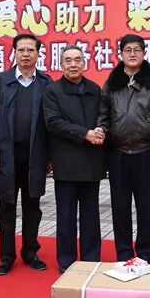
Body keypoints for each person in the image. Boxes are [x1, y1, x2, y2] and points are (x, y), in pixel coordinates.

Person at [0, 34, 54, 275]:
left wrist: (50, 156)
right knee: (6, 206)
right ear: (14, 53)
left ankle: (30, 251)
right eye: (21, 50)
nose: (25, 54)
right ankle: (6, 256)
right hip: (6, 156)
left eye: (30, 50)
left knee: (33, 207)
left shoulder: (46, 83)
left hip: (35, 156)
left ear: (38, 54)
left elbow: (52, 122)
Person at [95, 34, 150, 264]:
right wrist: (101, 129)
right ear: (120, 54)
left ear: (144, 53)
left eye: (137, 49)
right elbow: (104, 113)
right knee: (120, 207)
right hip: (117, 153)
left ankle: (146, 254)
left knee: (146, 207)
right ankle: (124, 253)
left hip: (145, 152)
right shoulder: (112, 83)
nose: (132, 54)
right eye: (127, 50)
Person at [43, 45, 106, 273]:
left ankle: (91, 258)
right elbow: (53, 122)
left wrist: (101, 129)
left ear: (84, 63)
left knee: (91, 214)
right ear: (61, 64)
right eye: (68, 60)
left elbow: (103, 114)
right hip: (66, 162)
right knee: (66, 215)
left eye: (77, 60)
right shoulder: (52, 90)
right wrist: (84, 134)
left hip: (91, 161)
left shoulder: (94, 89)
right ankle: (67, 260)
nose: (73, 64)